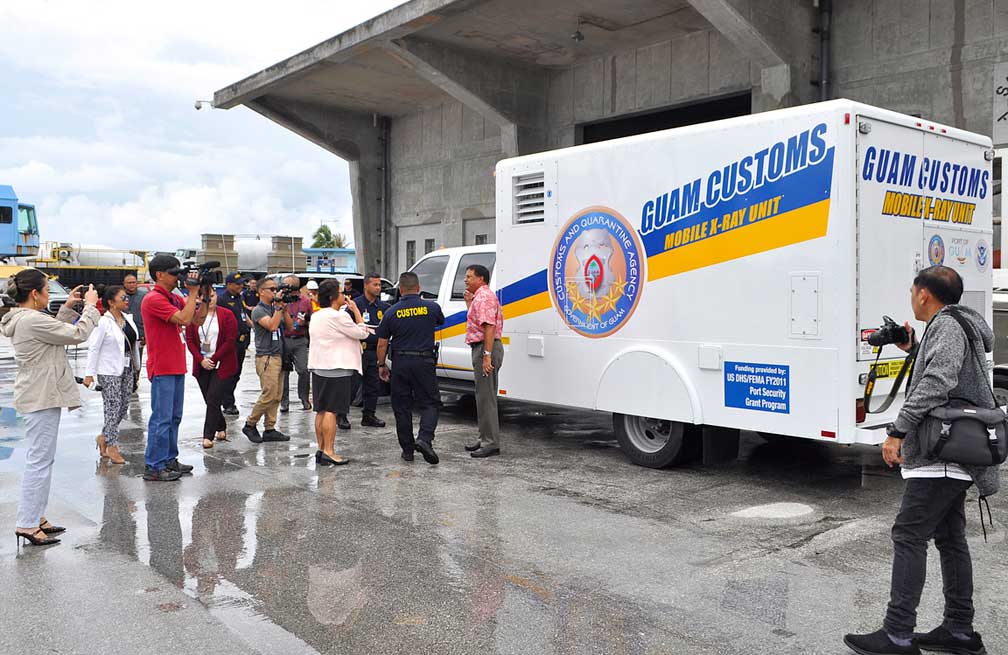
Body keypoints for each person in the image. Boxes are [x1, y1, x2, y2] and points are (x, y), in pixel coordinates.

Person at [844, 266, 998, 655]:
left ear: (925, 295)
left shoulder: (946, 326)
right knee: (949, 538)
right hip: (958, 453)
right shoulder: (957, 324)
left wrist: (897, 431)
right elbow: (949, 371)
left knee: (909, 535)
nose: (912, 297)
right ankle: (960, 631)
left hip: (940, 453)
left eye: (913, 291)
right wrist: (914, 349)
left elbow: (938, 381)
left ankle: (897, 634)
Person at [1, 270, 99, 546]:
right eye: (46, 290)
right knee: (39, 462)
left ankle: (36, 516)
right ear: (35, 294)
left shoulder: (26, 318)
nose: (48, 295)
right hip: (41, 395)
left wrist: (67, 309)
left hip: (38, 393)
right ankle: (27, 523)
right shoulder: (31, 320)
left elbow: (53, 332)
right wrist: (90, 306)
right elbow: (78, 334)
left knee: (42, 460)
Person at [141, 254, 200, 482]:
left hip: (175, 365)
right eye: (174, 273)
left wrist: (199, 293)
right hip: (163, 366)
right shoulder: (154, 299)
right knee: (162, 418)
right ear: (160, 275)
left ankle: (168, 459)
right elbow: (184, 320)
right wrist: (192, 293)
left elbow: (197, 319)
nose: (178, 277)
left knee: (174, 416)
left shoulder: (171, 297)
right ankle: (154, 465)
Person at [376, 272, 445, 465]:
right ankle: (424, 439)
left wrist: (381, 365)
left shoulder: (391, 312)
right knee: (431, 403)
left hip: (400, 364)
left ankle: (407, 450)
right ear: (419, 287)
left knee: (402, 407)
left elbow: (382, 344)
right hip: (424, 362)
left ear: (400, 289)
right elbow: (440, 321)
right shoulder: (432, 307)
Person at [308, 279, 369, 465]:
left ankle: (321, 448)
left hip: (319, 366)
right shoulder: (339, 316)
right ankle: (329, 450)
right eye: (341, 293)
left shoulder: (317, 315)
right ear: (334, 297)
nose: (345, 296)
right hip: (336, 367)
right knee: (332, 411)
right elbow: (362, 333)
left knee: (321, 409)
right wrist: (357, 312)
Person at [83, 285, 140, 465]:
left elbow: (134, 344)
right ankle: (112, 445)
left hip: (127, 368)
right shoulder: (103, 322)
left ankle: (104, 437)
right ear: (111, 302)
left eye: (126, 297)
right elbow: (93, 348)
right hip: (108, 370)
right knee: (112, 406)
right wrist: (89, 374)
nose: (126, 300)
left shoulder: (127, 319)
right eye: (122, 297)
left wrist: (137, 367)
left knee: (123, 407)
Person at [243, 278, 293, 443]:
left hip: (279, 355)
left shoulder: (274, 308)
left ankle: (270, 428)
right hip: (267, 357)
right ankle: (250, 423)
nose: (274, 291)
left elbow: (290, 327)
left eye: (275, 289)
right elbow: (271, 326)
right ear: (261, 291)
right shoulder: (258, 310)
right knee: (269, 393)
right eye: (271, 289)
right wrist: (278, 308)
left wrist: (283, 309)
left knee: (277, 395)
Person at [185, 292, 238, 449]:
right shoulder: (193, 316)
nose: (210, 299)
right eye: (205, 297)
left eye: (213, 295)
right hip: (202, 363)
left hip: (221, 362)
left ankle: (208, 435)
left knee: (214, 396)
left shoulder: (226, 314)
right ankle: (220, 425)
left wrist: (214, 359)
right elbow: (190, 340)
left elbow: (230, 340)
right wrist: (201, 360)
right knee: (209, 399)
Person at [462, 264, 504, 458]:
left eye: (469, 276)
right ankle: (484, 437)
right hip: (480, 348)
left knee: (486, 397)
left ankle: (490, 443)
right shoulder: (479, 297)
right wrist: (469, 304)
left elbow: (489, 328)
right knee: (482, 396)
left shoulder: (485, 297)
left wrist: (486, 355)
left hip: (484, 349)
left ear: (481, 279)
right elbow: (478, 322)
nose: (465, 279)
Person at [352, 273, 390, 428]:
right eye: (375, 284)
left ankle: (369, 415)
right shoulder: (355, 305)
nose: (378, 288)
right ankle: (341, 416)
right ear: (366, 285)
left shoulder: (384, 307)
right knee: (351, 386)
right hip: (358, 351)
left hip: (375, 352)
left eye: (379, 285)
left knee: (373, 387)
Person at [217, 272, 253, 416]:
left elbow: (244, 316)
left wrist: (253, 326)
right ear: (229, 284)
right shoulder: (222, 300)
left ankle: (227, 398)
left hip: (242, 342)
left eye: (241, 284)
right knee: (229, 373)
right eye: (237, 284)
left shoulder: (240, 298)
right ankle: (227, 402)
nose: (240, 286)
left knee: (237, 373)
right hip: (230, 342)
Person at [280, 275, 313, 413]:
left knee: (304, 370)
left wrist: (304, 322)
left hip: (300, 339)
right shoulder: (280, 300)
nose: (283, 289)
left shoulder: (305, 301)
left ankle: (304, 398)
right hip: (284, 339)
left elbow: (312, 319)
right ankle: (284, 402)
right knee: (284, 372)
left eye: (286, 286)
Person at [123, 272, 147, 390]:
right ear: (124, 284)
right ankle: (125, 379)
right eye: (129, 283)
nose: (132, 285)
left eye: (134, 282)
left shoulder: (144, 296)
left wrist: (145, 334)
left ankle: (134, 380)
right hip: (123, 333)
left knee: (138, 358)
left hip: (140, 333)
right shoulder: (120, 296)